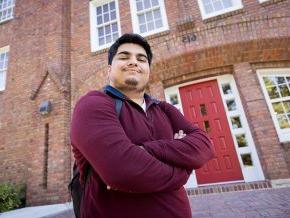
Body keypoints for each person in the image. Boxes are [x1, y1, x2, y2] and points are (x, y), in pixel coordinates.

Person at [70, 33, 214, 218]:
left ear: (148, 69)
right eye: (124, 57)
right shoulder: (93, 104)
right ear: (109, 70)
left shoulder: (164, 109)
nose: (133, 62)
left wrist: (144, 150)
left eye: (141, 59)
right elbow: (122, 170)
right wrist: (183, 170)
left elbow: (204, 146)